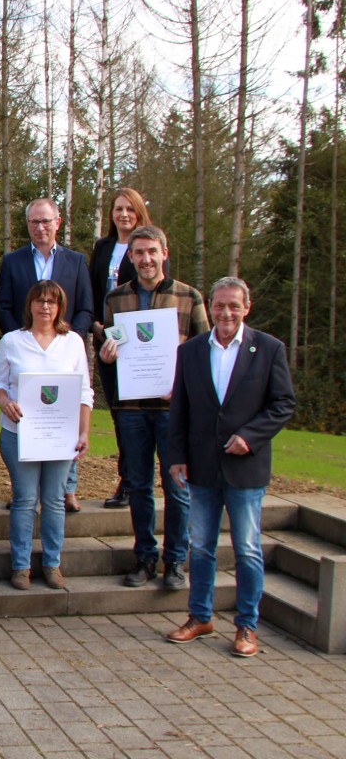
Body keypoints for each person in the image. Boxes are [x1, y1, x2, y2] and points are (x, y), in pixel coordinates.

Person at [165, 277, 295, 658]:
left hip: (245, 467)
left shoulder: (269, 349)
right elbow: (181, 410)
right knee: (201, 546)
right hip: (202, 466)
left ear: (246, 307)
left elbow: (283, 404)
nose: (225, 313)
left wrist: (250, 436)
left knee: (248, 549)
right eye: (219, 305)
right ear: (210, 306)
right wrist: (176, 456)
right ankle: (200, 617)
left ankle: (246, 626)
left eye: (233, 306)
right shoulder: (189, 351)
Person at [98, 226, 208, 590]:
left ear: (165, 253)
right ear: (130, 256)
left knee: (177, 487)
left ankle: (175, 560)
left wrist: (183, 388)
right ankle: (145, 557)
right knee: (139, 485)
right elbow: (114, 352)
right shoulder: (116, 299)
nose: (145, 259)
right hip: (131, 409)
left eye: (152, 252)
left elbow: (206, 355)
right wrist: (107, 355)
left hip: (173, 410)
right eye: (139, 252)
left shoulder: (189, 297)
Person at [0, 280, 93, 591]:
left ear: (60, 306)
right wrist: (5, 402)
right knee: (24, 500)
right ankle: (21, 566)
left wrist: (84, 430)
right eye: (40, 300)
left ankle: (52, 564)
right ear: (30, 305)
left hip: (59, 436)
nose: (45, 306)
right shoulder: (12, 340)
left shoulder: (73, 342)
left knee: (54, 501)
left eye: (52, 301)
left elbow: (85, 391)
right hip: (19, 434)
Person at [0, 198, 95, 513]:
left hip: (62, 353)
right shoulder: (13, 261)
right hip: (27, 354)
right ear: (28, 225)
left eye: (46, 221)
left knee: (61, 422)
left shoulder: (76, 261)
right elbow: (4, 306)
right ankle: (23, 490)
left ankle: (67, 489)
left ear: (58, 223)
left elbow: (86, 307)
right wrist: (24, 338)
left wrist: (65, 337)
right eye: (34, 222)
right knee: (27, 423)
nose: (40, 227)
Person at [89, 189, 164, 509]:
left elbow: (157, 299)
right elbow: (92, 290)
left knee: (143, 417)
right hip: (107, 340)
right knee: (121, 416)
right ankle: (128, 480)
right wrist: (96, 327)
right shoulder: (102, 247)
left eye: (129, 209)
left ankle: (134, 483)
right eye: (118, 209)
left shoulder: (148, 247)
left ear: (139, 213)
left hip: (141, 346)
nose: (123, 215)